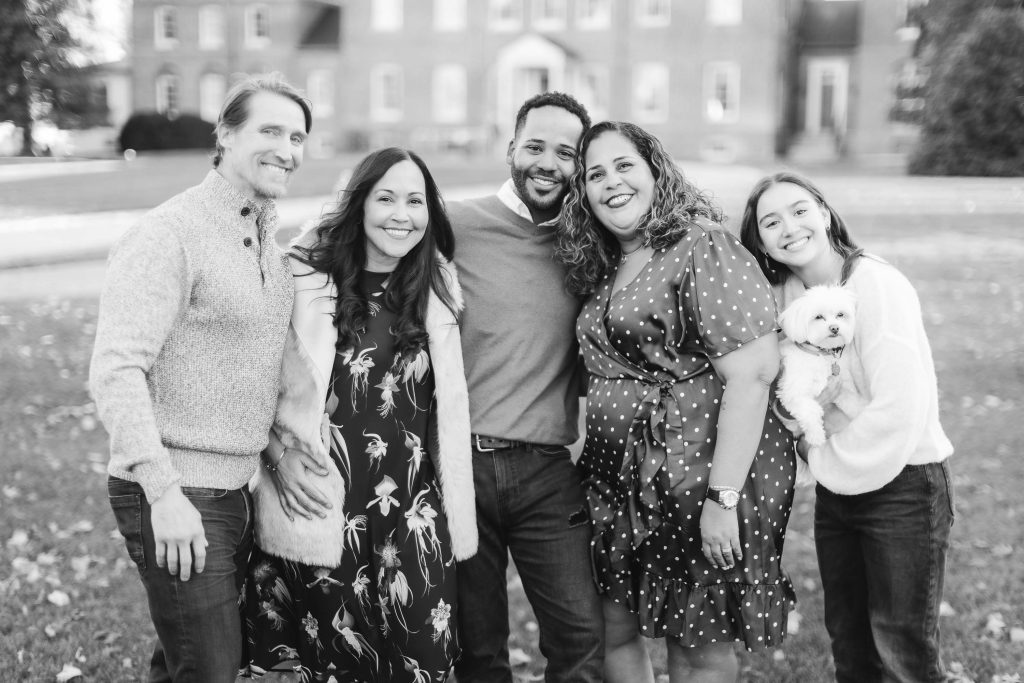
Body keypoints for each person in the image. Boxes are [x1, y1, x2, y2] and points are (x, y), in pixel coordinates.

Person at [89, 73, 312, 682]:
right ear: (225, 135)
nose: (287, 149)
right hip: (178, 490)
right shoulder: (171, 233)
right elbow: (115, 368)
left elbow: (247, 365)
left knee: (186, 657)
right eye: (269, 130)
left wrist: (274, 449)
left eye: (297, 137)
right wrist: (163, 494)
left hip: (237, 490)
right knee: (211, 668)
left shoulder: (268, 242)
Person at [556, 121, 796, 683]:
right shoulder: (604, 264)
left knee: (696, 645)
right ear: (583, 193)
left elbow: (755, 372)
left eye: (624, 166)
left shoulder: (699, 245)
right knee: (611, 629)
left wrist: (723, 500)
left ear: (655, 171)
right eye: (595, 174)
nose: (611, 182)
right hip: (617, 481)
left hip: (699, 477)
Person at [241, 147, 477, 682]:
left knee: (425, 657)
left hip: (413, 508)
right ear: (358, 204)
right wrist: (276, 457)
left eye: (415, 201)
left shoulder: (437, 287)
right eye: (386, 198)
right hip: (323, 505)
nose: (402, 214)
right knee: (337, 663)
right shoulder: (300, 279)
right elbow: (249, 383)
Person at [739, 171, 955, 683]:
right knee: (850, 642)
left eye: (798, 210)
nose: (788, 227)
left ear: (825, 212)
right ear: (761, 240)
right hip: (838, 490)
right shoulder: (787, 300)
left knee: (903, 651)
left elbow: (900, 408)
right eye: (770, 222)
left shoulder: (877, 285)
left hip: (904, 483)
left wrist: (819, 450)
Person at [447, 92, 605, 683]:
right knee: (477, 646)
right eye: (535, 146)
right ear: (511, 147)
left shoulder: (591, 245)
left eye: (566, 153)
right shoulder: (456, 223)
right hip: (461, 465)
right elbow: (353, 234)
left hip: (548, 471)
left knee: (581, 638)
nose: (547, 162)